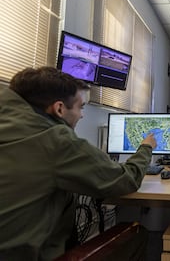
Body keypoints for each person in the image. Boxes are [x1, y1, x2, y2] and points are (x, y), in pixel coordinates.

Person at [0, 66, 156, 260]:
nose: (82, 115)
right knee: (137, 233)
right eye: (81, 107)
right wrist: (146, 147)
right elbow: (126, 180)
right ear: (59, 109)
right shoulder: (57, 141)